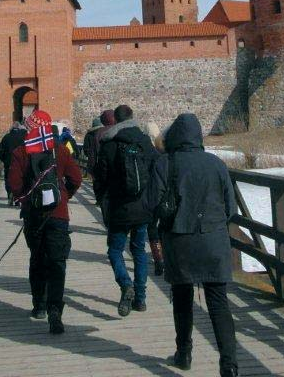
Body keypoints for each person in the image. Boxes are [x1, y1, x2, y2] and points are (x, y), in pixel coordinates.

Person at [151, 113, 239, 376]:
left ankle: (184, 353)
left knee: (182, 298)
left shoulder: (165, 164)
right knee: (219, 303)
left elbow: (152, 204)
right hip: (213, 242)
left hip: (180, 242)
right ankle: (229, 364)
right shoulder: (217, 164)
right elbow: (231, 209)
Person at [7, 109, 82, 335]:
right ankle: (55, 309)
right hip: (58, 215)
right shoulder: (58, 150)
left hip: (34, 216)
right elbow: (76, 178)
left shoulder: (21, 151)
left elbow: (13, 184)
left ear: (31, 127)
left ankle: (39, 305)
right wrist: (63, 196)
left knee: (37, 259)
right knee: (57, 263)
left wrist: (26, 201)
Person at [96, 104, 157, 317]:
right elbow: (156, 170)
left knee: (115, 251)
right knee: (139, 251)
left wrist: (101, 200)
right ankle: (140, 298)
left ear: (115, 121)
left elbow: (100, 178)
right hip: (142, 208)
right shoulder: (145, 142)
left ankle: (125, 285)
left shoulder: (109, 144)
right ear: (132, 118)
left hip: (118, 209)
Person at [143, 120, 166, 277]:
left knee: (151, 228)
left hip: (148, 194)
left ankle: (158, 260)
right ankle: (165, 257)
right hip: (163, 194)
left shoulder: (143, 148)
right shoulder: (162, 150)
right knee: (163, 226)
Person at [0, 122, 26, 200]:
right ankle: (18, 196)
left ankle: (10, 192)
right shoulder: (24, 137)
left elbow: (0, 151)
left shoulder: (6, 137)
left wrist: (4, 160)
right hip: (21, 163)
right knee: (21, 178)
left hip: (9, 163)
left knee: (8, 179)